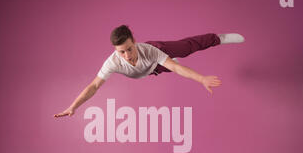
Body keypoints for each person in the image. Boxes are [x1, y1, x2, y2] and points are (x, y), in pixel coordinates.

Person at [54, 25, 244, 118]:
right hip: (155, 69)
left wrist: (201, 79)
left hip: (156, 55)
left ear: (134, 41)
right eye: (121, 52)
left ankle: (218, 38)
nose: (127, 55)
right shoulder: (112, 62)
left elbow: (177, 68)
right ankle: (165, 63)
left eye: (129, 49)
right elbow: (94, 86)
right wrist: (73, 106)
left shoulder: (148, 50)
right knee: (168, 67)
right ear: (115, 50)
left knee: (185, 49)